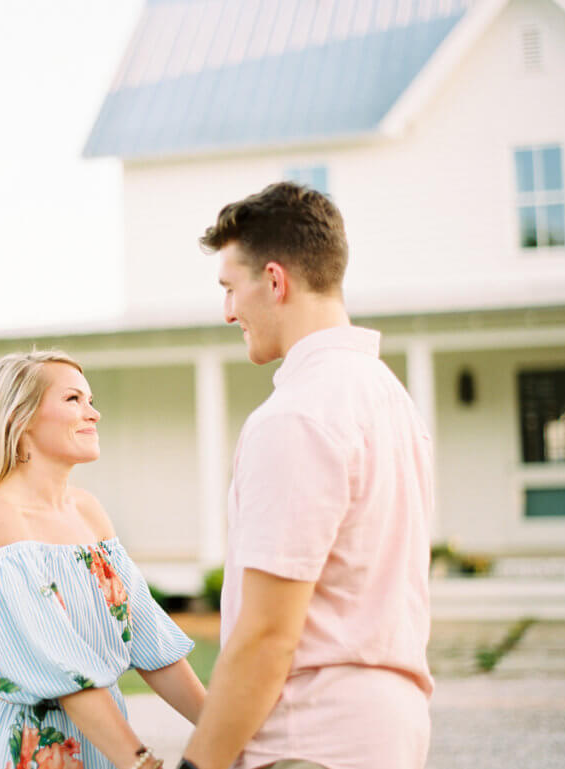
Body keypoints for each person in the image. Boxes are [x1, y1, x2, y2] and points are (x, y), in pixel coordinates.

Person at [177, 182, 434, 769]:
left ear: (274, 280)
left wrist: (198, 765)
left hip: (310, 741)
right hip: (390, 736)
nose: (227, 311)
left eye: (229, 287)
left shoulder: (296, 416)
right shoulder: (394, 403)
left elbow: (268, 636)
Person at [0, 350, 207, 769]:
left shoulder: (88, 511)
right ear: (21, 418)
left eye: (91, 400)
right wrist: (141, 763)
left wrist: (228, 736)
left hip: (107, 747)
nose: (93, 414)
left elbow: (149, 639)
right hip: (43, 753)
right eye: (73, 400)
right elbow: (66, 671)